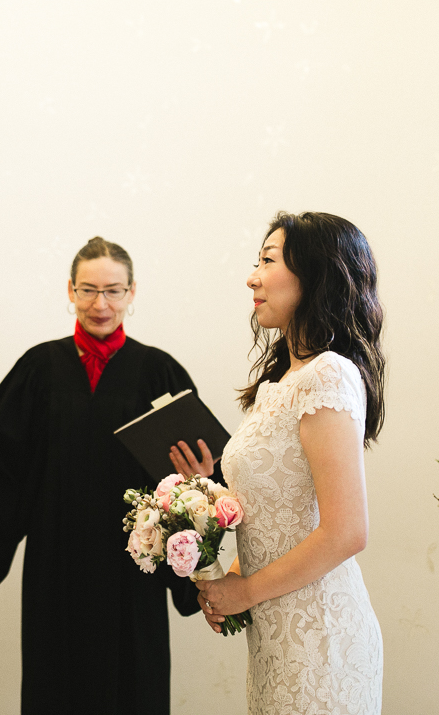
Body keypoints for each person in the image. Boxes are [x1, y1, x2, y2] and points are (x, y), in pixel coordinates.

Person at [0, 236, 208, 715]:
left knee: (135, 687)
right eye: (88, 290)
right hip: (58, 568)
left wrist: (201, 478)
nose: (100, 303)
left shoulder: (159, 372)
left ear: (133, 293)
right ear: (70, 290)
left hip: (136, 570)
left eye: (112, 291)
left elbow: (200, 472)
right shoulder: (39, 368)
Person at [174, 211, 384, 715]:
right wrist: (227, 583)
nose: (252, 276)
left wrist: (245, 590)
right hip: (277, 637)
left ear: (315, 276)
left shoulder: (328, 375)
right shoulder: (279, 386)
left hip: (322, 640)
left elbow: (346, 531)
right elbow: (277, 515)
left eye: (267, 261)